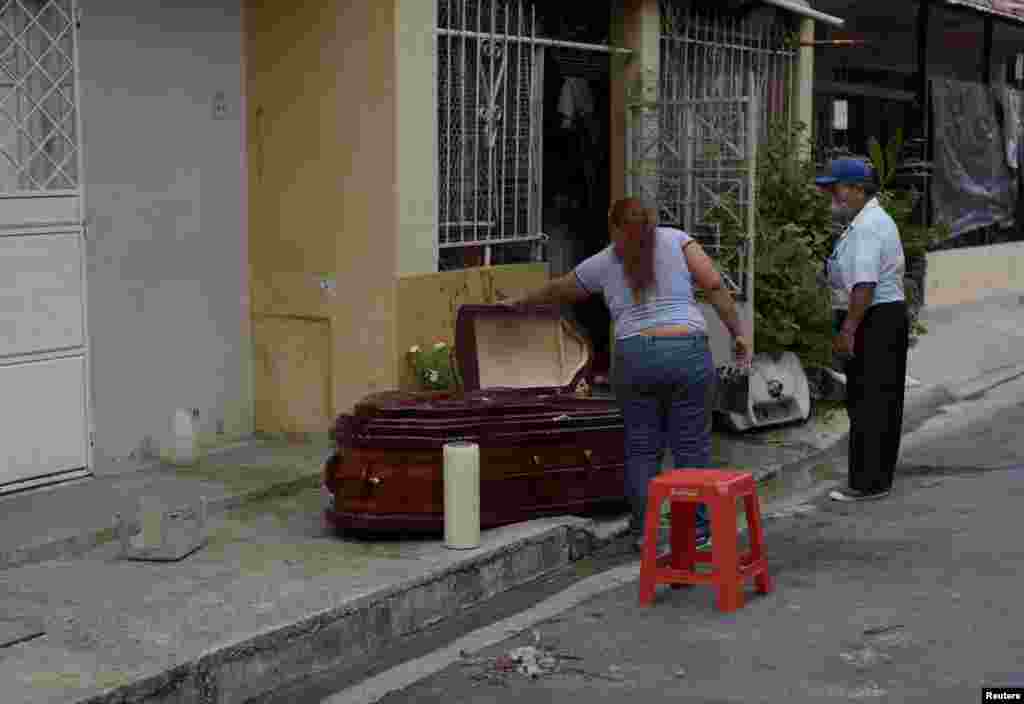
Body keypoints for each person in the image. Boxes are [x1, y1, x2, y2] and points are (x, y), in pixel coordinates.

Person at [504, 197, 751, 549]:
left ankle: (646, 533)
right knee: (691, 447)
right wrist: (737, 334)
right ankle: (695, 533)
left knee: (641, 447)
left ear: (613, 227)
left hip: (636, 355)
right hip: (687, 351)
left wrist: (517, 303)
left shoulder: (604, 261)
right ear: (652, 221)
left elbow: (559, 289)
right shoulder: (678, 240)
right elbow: (712, 285)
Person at [817, 158, 909, 502]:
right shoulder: (867, 221)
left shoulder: (868, 226)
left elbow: (864, 285)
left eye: (836, 188)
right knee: (880, 400)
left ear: (858, 189)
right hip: (881, 317)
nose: (831, 195)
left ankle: (866, 482)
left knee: (869, 401)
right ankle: (876, 479)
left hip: (873, 318)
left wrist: (849, 332)